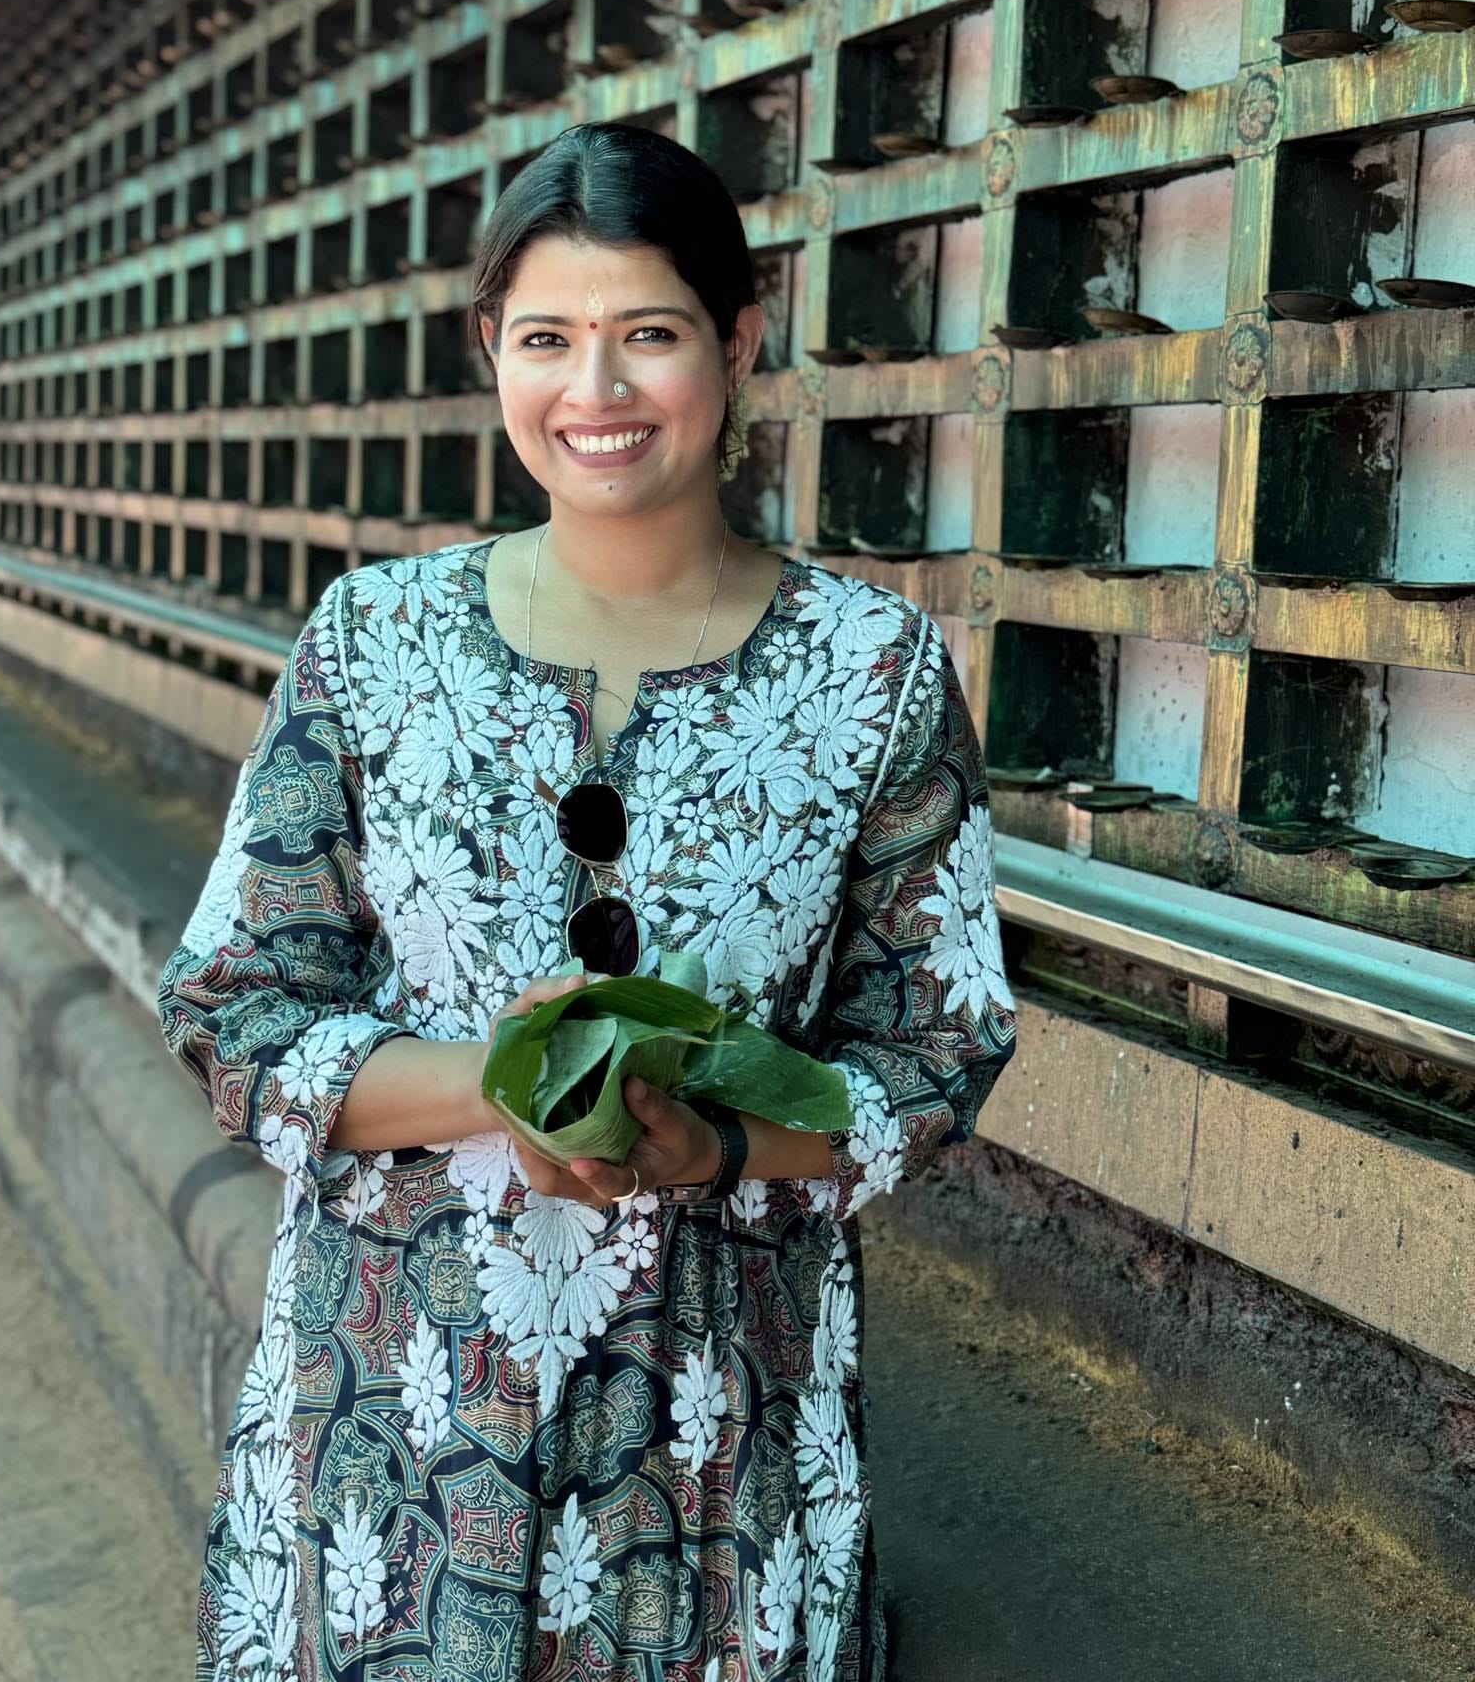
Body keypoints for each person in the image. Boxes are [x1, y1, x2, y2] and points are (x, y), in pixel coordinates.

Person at [157, 119, 1017, 1682]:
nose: (596, 393)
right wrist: (499, 1087)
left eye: (650, 337)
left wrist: (726, 1141)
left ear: (740, 344)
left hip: (720, 1431)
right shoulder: (373, 642)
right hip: (393, 1414)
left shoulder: (872, 674)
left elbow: (935, 1045)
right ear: (494, 350)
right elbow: (235, 1005)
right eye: (547, 338)